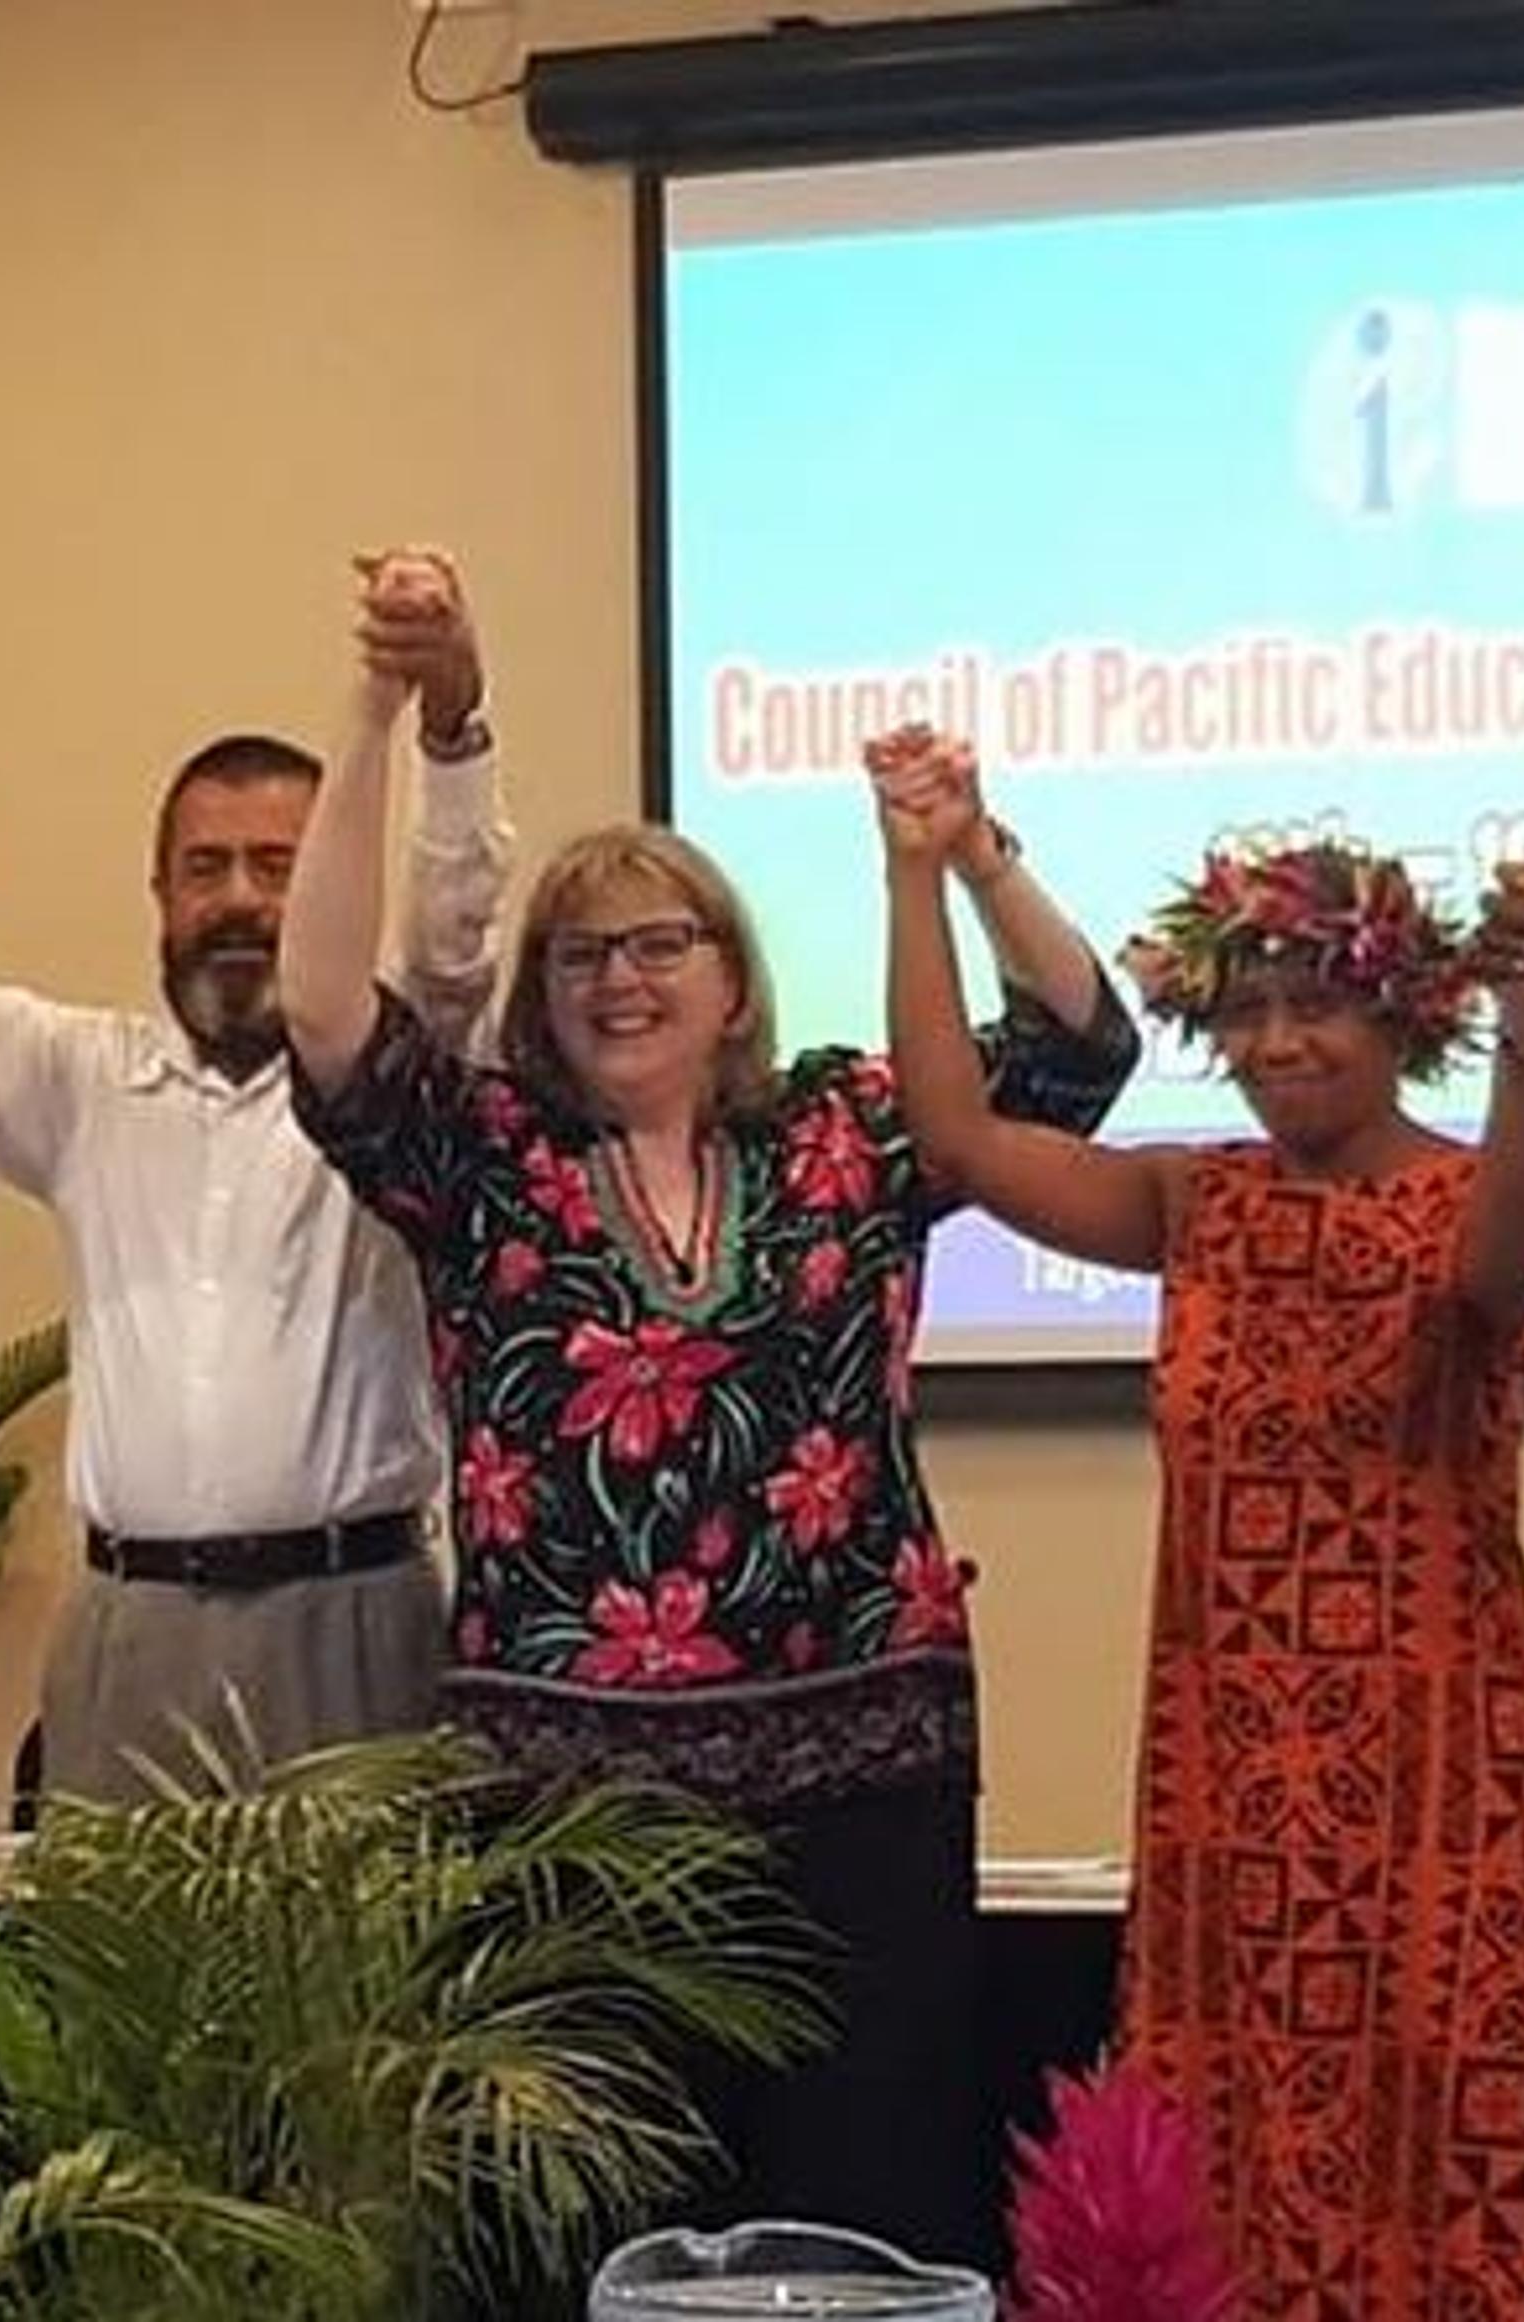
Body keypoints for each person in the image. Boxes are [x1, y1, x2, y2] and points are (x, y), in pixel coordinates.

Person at [278, 566, 1139, 2264]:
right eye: (582, 950)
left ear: (734, 980)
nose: (619, 976)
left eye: (660, 940)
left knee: (863, 2211)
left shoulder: (843, 1134)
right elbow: (318, 1008)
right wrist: (374, 707)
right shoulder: (490, 1163)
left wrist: (967, 852)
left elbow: (1077, 1039)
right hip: (570, 1805)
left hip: (861, 1784)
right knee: (594, 2229)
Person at [877, 727, 1524, 2313]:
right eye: (1249, 1012)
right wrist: (924, 866)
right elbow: (952, 1135)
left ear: (1406, 1015)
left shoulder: (1479, 1185)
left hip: (1439, 1782)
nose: (1281, 1040)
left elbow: (1501, 1273)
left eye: (1319, 1004)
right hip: (1231, 1790)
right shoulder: (1192, 1201)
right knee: (1230, 2185)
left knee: (1447, 2166)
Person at [0, 558, 511, 1803]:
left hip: (354, 1624)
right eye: (207, 869)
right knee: (118, 2002)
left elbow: (456, 945)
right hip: (130, 1635)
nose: (240, 901)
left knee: (361, 1997)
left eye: (278, 866)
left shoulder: (401, 1091)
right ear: (161, 895)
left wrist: (449, 728)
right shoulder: (83, 1082)